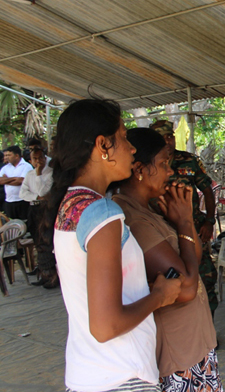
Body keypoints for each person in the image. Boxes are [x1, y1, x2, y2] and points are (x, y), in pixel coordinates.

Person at [42, 99, 181, 392]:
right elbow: (106, 326)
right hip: (120, 376)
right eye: (123, 137)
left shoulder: (71, 205)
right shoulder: (103, 214)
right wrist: (159, 295)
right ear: (103, 145)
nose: (131, 148)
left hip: (87, 374)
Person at [114, 128, 220, 392]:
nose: (170, 171)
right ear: (139, 168)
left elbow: (193, 255)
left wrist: (185, 221)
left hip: (194, 343)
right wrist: (184, 222)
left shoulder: (150, 209)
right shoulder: (134, 219)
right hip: (178, 352)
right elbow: (185, 288)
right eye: (162, 164)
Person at [150, 120, 219, 316]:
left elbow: (208, 190)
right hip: (161, 232)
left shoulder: (189, 160)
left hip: (193, 229)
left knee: (205, 278)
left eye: (170, 137)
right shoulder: (147, 165)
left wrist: (209, 221)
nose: (167, 142)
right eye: (162, 138)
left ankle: (209, 332)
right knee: (169, 279)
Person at [19, 147, 57, 288]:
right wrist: (35, 196)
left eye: (40, 158)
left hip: (45, 209)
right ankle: (43, 273)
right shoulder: (29, 174)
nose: (38, 161)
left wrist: (39, 174)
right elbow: (23, 193)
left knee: (46, 241)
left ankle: (52, 276)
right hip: (33, 208)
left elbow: (44, 191)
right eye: (35, 158)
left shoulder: (50, 173)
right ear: (31, 160)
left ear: (45, 157)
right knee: (37, 241)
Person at [0, 145, 33, 219]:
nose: (7, 157)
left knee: (24, 223)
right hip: (9, 201)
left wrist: (6, 180)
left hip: (22, 201)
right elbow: (0, 181)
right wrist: (15, 178)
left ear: (16, 156)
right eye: (6, 155)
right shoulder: (5, 167)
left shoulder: (26, 166)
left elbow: (21, 181)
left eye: (9, 155)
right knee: (11, 223)